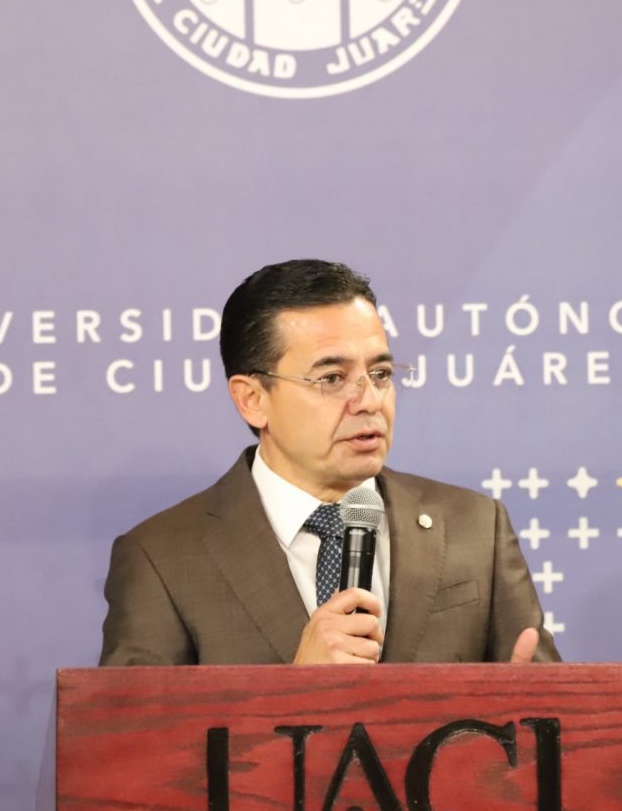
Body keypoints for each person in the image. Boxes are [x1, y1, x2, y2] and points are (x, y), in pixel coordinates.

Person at [100, 260, 559, 667]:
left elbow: (558, 720)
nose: (369, 401)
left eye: (380, 374)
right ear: (252, 399)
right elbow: (136, 737)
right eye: (332, 378)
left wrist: (530, 710)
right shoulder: (162, 559)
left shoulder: (475, 528)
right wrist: (294, 696)